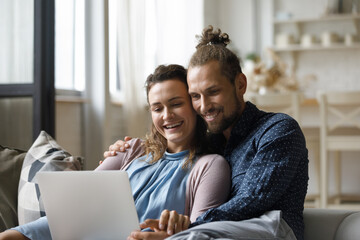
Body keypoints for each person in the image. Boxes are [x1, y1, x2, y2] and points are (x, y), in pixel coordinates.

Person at [105, 26, 309, 240]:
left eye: (213, 92)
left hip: (271, 228)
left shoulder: (277, 129)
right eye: (195, 96)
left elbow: (252, 200)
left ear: (240, 84)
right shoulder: (211, 141)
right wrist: (127, 149)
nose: (204, 106)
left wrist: (189, 227)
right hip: (219, 232)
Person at [0, 64, 231, 240]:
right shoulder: (131, 149)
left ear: (194, 103)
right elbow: (79, 203)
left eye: (176, 103)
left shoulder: (210, 166)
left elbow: (202, 233)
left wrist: (171, 235)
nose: (166, 115)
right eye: (157, 108)